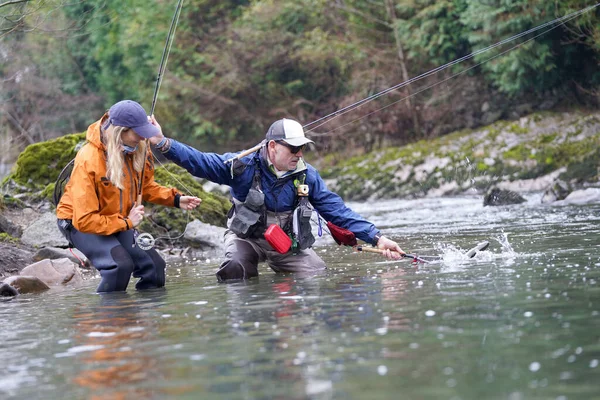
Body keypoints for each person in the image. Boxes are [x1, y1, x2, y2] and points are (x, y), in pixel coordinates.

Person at [148, 118, 404, 281]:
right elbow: (200, 162)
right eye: (294, 148)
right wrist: (162, 142)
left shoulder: (307, 175)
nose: (299, 153)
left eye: (302, 148)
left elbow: (337, 211)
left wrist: (378, 238)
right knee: (235, 270)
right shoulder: (242, 166)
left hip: (286, 246)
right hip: (246, 239)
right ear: (272, 147)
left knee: (317, 275)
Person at [56, 100, 201, 292]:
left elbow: (145, 187)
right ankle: (107, 320)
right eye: (138, 133)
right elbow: (84, 220)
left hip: (118, 219)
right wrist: (126, 224)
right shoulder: (88, 159)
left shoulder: (138, 147)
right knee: (119, 267)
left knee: (155, 267)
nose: (142, 138)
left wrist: (175, 199)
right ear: (120, 131)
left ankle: (145, 320)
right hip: (78, 223)